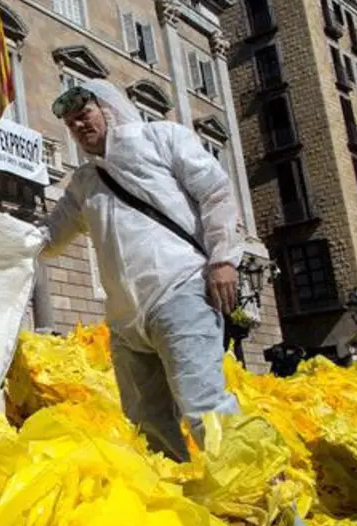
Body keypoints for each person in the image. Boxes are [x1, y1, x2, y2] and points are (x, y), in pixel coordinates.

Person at [40, 80, 243, 463]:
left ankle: (263, 496)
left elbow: (215, 192)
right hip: (125, 322)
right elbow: (50, 236)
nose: (78, 126)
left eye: (84, 114)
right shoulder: (84, 182)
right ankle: (176, 494)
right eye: (70, 123)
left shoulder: (161, 138)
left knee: (205, 408)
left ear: (107, 107)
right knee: (146, 424)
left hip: (181, 292)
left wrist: (222, 259)